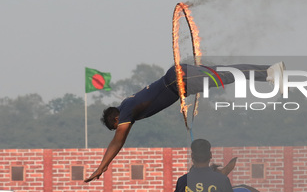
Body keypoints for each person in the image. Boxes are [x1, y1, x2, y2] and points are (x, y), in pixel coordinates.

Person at [83, 62, 284, 183]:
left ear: (116, 119)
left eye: (116, 127)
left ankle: (269, 72)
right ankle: (270, 74)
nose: (119, 130)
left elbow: (117, 142)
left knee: (227, 75)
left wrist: (101, 167)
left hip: (179, 80)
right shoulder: (128, 104)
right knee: (227, 74)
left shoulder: (126, 111)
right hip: (180, 80)